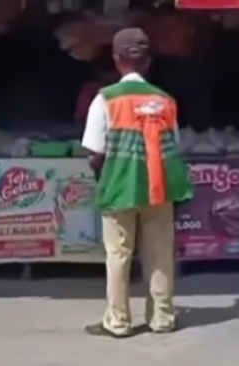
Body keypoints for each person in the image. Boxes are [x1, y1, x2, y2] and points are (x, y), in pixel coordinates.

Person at [81, 28, 193, 338]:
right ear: (147, 62)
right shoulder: (165, 100)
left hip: (119, 188)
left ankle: (118, 322)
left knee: (119, 256)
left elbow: (94, 151)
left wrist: (106, 175)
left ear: (117, 60)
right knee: (159, 254)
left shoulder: (105, 100)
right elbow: (174, 146)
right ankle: (162, 319)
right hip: (159, 189)